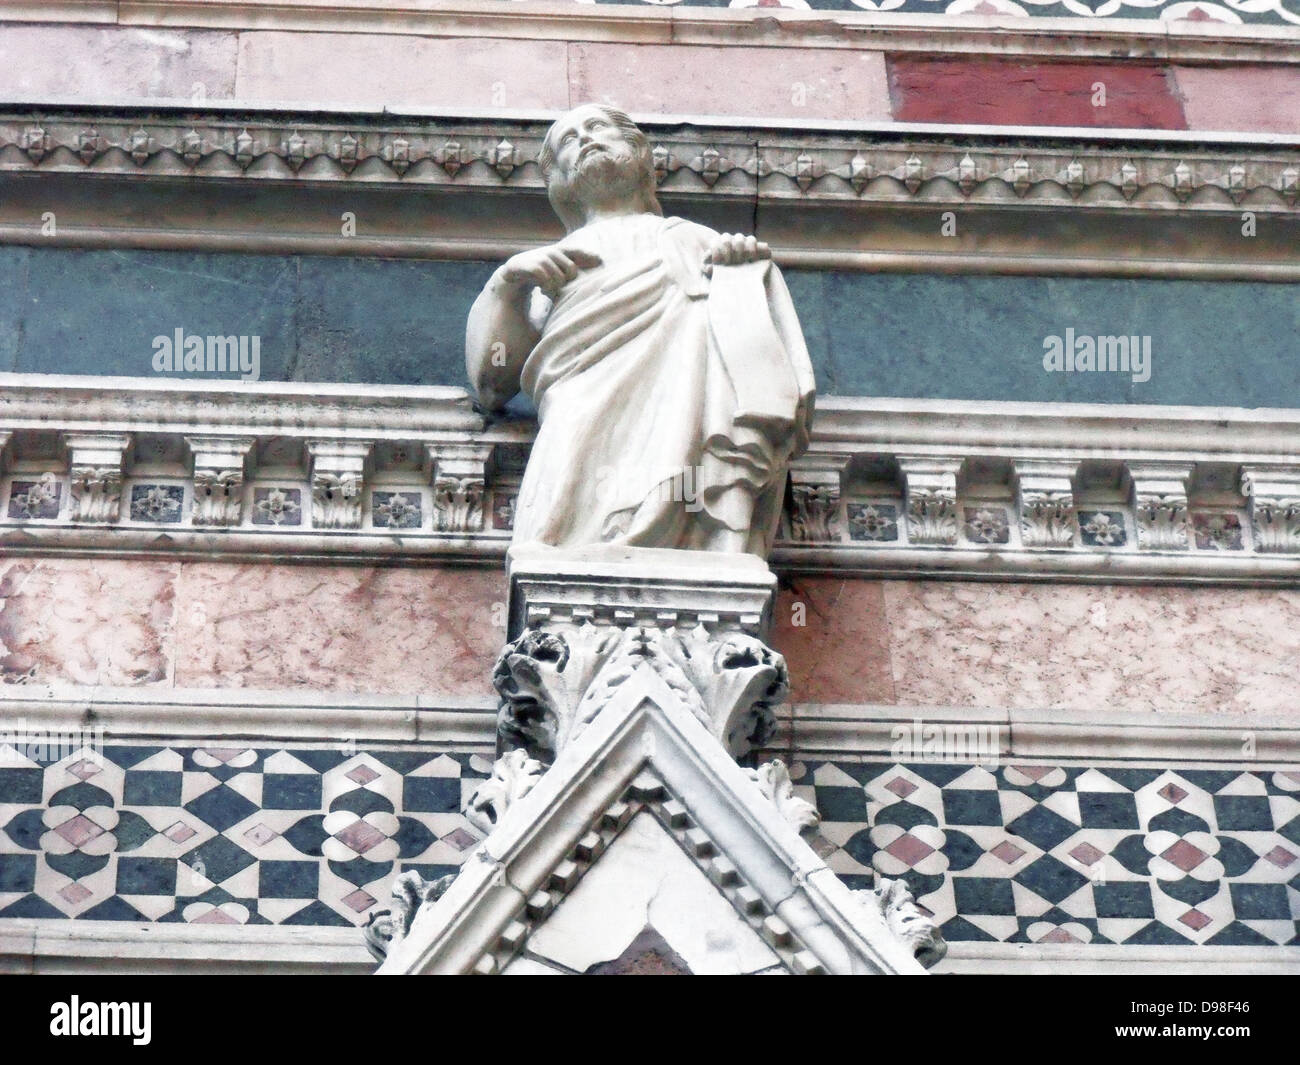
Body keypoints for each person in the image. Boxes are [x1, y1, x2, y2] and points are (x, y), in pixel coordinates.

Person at [466, 104, 815, 558]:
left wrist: (740, 275)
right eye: (568, 140)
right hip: (581, 404)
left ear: (638, 152)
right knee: (559, 519)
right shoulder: (551, 263)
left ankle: (702, 538)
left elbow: (755, 348)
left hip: (683, 403)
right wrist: (507, 285)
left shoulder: (696, 241)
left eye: (598, 129)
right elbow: (492, 382)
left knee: (677, 471)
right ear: (559, 180)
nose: (585, 139)